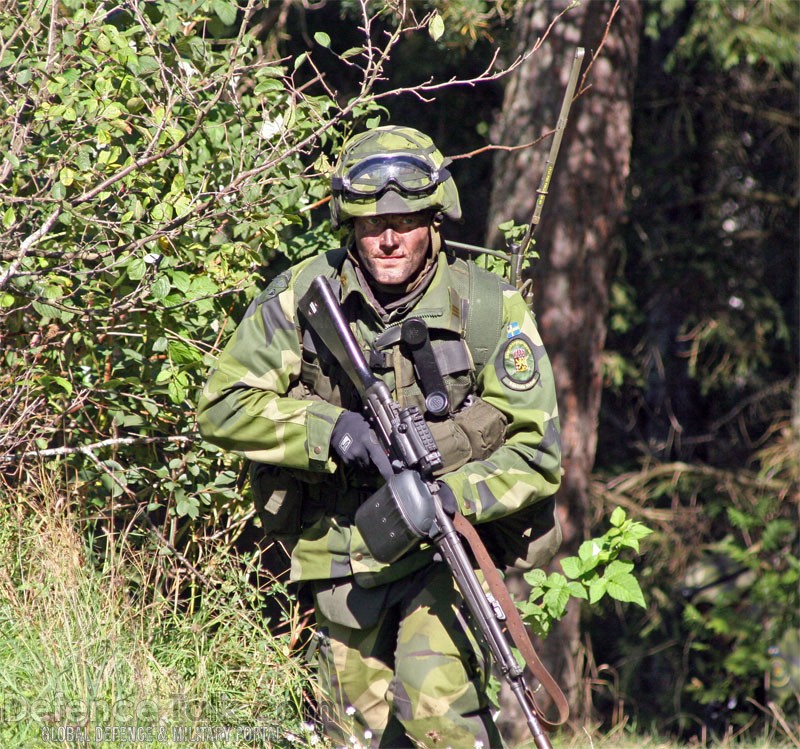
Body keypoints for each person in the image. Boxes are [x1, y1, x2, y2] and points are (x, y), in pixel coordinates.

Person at [196, 125, 562, 748]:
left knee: (440, 722)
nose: (388, 238)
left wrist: (456, 498)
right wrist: (331, 430)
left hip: (446, 553)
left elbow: (538, 451)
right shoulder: (302, 297)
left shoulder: (487, 308)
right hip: (339, 550)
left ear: (435, 220)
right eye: (370, 223)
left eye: (405, 220)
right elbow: (222, 406)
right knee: (351, 737)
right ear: (349, 225)